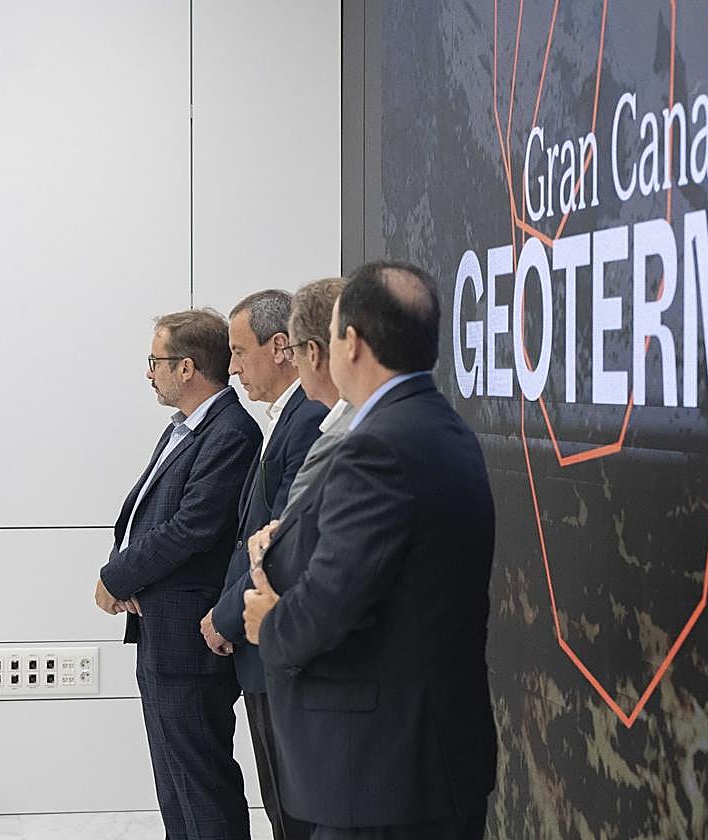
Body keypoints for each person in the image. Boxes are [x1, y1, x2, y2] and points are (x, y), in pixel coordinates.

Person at [242, 261, 498, 840]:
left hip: (381, 776)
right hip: (429, 761)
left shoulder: (377, 448)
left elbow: (333, 600)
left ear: (351, 344)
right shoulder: (443, 428)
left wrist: (270, 622)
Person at [97, 309, 260, 840]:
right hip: (163, 627)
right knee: (176, 788)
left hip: (191, 636)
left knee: (199, 784)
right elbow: (153, 515)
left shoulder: (230, 432)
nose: (149, 373)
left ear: (186, 367)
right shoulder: (188, 428)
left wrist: (119, 576)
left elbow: (192, 528)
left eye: (155, 361)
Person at [206, 290, 326, 840]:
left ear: (281, 347)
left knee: (295, 810)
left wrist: (225, 617)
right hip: (261, 645)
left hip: (275, 641)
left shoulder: (307, 420)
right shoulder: (286, 419)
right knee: (280, 803)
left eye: (238, 351)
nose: (231, 368)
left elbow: (279, 541)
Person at [281, 277, 353, 511]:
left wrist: (274, 540)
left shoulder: (343, 438)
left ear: (312, 352)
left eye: (291, 351)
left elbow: (299, 538)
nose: (292, 363)